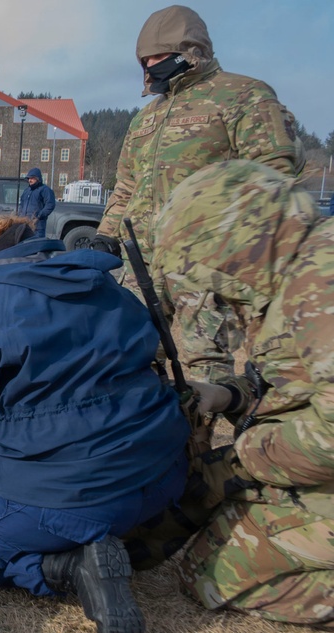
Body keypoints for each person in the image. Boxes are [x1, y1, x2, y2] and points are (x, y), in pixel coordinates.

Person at [0, 215, 190, 633]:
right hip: (164, 473)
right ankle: (111, 536)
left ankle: (70, 568)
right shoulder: (107, 287)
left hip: (67, 496)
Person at [150, 159, 334, 629]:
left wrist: (243, 460)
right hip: (305, 460)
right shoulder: (297, 272)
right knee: (205, 521)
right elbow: (288, 384)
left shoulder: (322, 286)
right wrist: (224, 395)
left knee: (207, 576)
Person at [96, 4, 302, 383]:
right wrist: (105, 238)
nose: (151, 64)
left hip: (205, 264)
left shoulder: (244, 95)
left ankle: (200, 441)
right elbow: (126, 186)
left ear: (190, 50)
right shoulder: (146, 117)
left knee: (204, 365)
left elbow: (274, 177)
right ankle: (147, 437)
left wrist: (235, 247)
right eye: (146, 58)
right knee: (125, 355)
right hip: (141, 264)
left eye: (159, 55)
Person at [17, 167, 55, 238]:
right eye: (28, 178)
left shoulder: (45, 190)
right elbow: (21, 204)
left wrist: (39, 215)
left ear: (38, 178)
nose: (30, 180)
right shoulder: (26, 191)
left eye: (32, 178)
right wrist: (20, 215)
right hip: (25, 225)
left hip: (38, 226)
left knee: (36, 245)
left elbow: (50, 204)